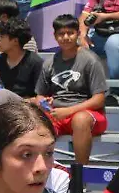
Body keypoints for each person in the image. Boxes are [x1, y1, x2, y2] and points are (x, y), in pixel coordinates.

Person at [34, 15, 109, 167]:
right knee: (35, 122)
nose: (66, 37)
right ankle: (43, 170)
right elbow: (39, 95)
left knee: (80, 120)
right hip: (57, 113)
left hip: (88, 115)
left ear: (78, 34)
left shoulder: (90, 60)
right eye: (61, 34)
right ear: (55, 36)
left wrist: (68, 111)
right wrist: (43, 102)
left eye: (70, 33)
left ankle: (80, 174)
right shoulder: (49, 63)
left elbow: (99, 99)